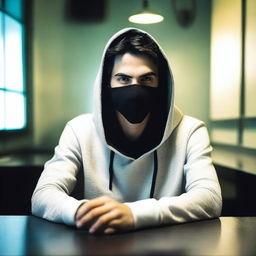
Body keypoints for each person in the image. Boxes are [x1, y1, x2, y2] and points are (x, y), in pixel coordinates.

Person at [32, 28, 222, 235]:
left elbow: (209, 197)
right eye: (123, 79)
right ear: (107, 84)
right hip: (95, 245)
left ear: (162, 85)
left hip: (165, 247)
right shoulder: (79, 130)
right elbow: (43, 194)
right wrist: (81, 212)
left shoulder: (191, 131)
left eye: (147, 79)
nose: (135, 89)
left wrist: (134, 214)